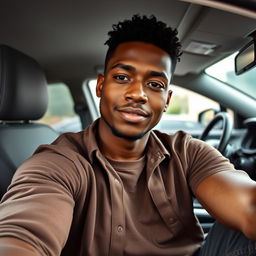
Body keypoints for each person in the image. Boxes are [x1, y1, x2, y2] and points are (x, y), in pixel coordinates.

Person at [0, 14, 256, 256]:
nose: (138, 94)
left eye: (154, 85)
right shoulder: (59, 163)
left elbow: (248, 204)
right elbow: (22, 237)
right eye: (122, 77)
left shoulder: (188, 152)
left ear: (166, 100)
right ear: (101, 86)